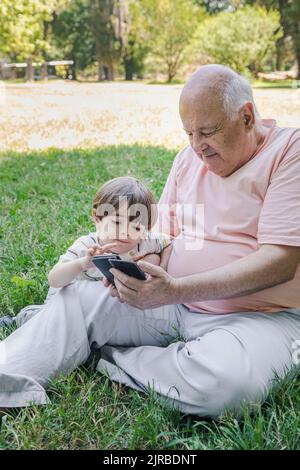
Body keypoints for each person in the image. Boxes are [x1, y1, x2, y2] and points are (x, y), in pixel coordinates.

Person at [1, 64, 300, 418]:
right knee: (80, 296)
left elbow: (280, 262)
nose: (197, 147)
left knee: (227, 385)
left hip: (260, 317)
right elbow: (165, 237)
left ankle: (107, 354)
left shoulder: (288, 152)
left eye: (207, 131)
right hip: (171, 305)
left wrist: (176, 290)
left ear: (246, 116)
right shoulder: (188, 159)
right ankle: (9, 378)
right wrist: (143, 271)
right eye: (188, 133)